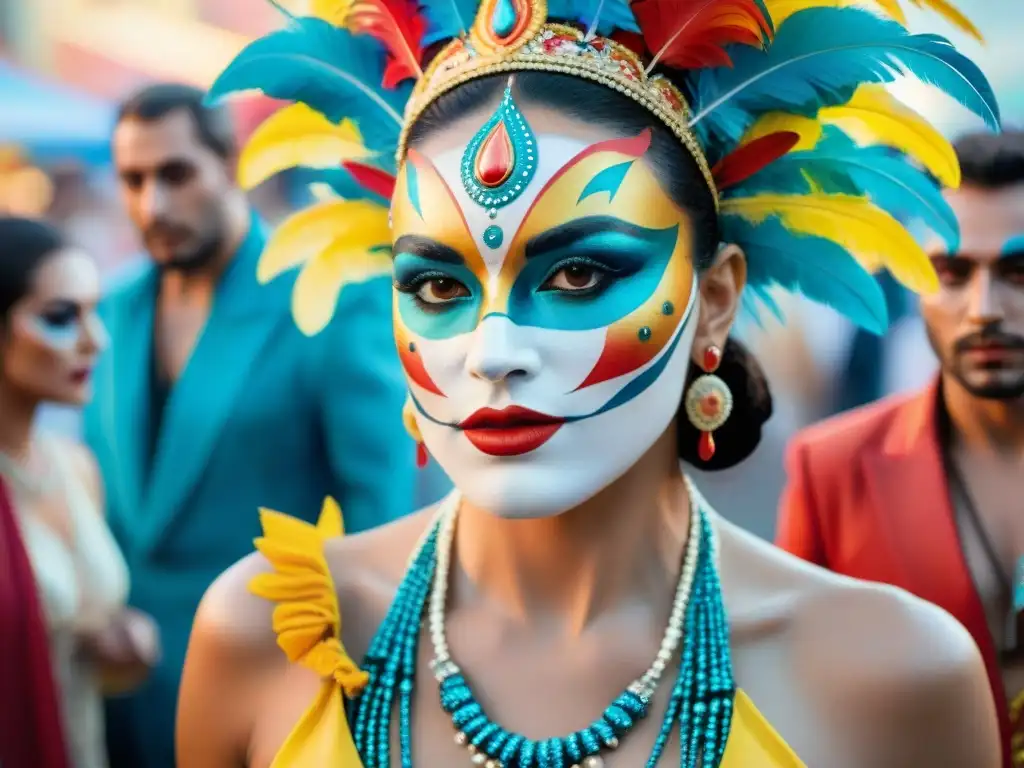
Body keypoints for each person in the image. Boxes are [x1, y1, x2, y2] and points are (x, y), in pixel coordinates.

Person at [178, 2, 1001, 766]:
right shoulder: (264, 635)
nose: (493, 350)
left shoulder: (895, 679)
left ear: (714, 299)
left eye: (577, 272)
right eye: (437, 287)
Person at [82, 84, 416, 768]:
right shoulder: (109, 310)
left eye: (176, 174)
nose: (154, 205)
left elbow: (378, 522)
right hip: (119, 700)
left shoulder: (329, 298)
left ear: (231, 161)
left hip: (268, 701)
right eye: (133, 180)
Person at [776, 130, 1024, 767]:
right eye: (951, 272)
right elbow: (790, 709)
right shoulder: (830, 469)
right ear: (913, 280)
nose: (984, 309)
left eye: (1020, 273)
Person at [0, 217, 158, 768]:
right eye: (62, 317)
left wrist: (121, 640)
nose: (97, 340)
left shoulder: (76, 468)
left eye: (95, 312)